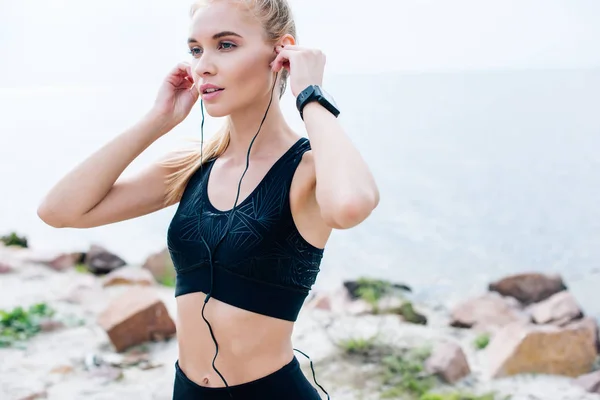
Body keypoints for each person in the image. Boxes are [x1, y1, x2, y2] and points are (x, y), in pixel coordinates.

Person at [37, 0, 380, 398]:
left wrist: (311, 94)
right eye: (196, 49)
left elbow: (351, 205)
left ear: (281, 52)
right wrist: (158, 119)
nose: (203, 65)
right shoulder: (193, 167)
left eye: (226, 45)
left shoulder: (306, 170)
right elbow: (58, 211)